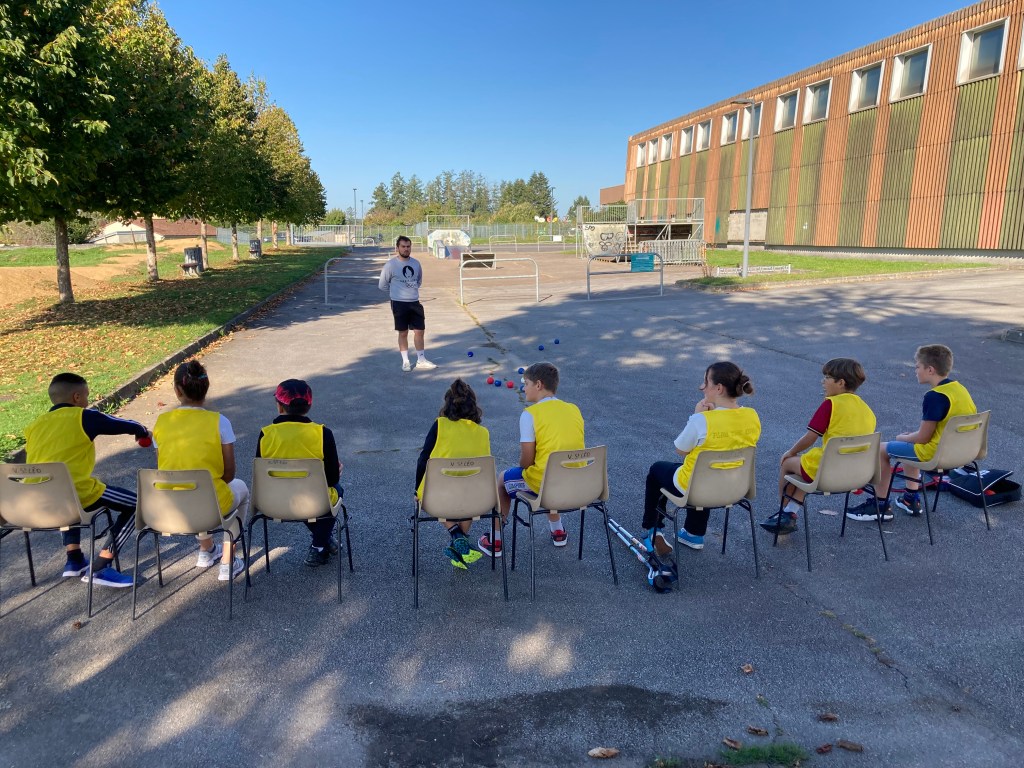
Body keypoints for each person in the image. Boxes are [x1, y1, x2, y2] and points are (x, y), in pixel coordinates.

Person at [24, 372, 150, 588]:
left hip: (36, 500)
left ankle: (74, 559)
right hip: (76, 494)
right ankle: (100, 566)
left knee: (63, 493)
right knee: (139, 506)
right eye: (86, 396)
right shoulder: (84, 416)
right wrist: (142, 431)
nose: (87, 400)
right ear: (76, 397)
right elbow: (120, 424)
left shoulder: (34, 426)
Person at [846, 344, 976, 521]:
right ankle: (910, 499)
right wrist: (910, 438)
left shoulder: (935, 396)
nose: (915, 371)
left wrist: (902, 437)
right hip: (962, 452)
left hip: (937, 454)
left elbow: (923, 438)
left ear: (930, 370)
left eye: (917, 367)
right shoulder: (960, 389)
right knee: (909, 444)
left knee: (880, 449)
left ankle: (880, 505)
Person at [641, 362, 760, 554]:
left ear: (718, 388)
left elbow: (681, 449)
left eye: (706, 382)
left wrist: (696, 416)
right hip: (735, 487)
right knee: (705, 472)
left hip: (698, 489)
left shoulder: (702, 420)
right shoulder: (752, 416)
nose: (702, 387)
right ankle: (693, 533)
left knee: (658, 470)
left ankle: (653, 529)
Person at [151, 360, 248, 581]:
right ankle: (228, 560)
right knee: (239, 489)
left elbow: (165, 468)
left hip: (171, 505)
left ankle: (206, 550)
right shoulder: (219, 422)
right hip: (209, 504)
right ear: (206, 388)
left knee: (194, 489)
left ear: (177, 390)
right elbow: (229, 474)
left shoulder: (161, 422)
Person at [478, 362, 584, 557]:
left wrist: (523, 466)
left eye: (526, 383)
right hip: (578, 484)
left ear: (539, 385)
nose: (523, 388)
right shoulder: (573, 409)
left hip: (547, 485)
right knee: (553, 471)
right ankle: (558, 531)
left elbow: (527, 461)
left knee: (502, 480)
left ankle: (495, 540)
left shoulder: (530, 415)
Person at [760, 358, 876, 535]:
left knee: (788, 463)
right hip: (857, 474)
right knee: (805, 468)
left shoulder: (831, 404)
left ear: (841, 382)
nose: (823, 381)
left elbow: (810, 437)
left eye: (827, 377)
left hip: (828, 472)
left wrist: (791, 451)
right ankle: (791, 511)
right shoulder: (868, 410)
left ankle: (784, 514)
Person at [255, 379, 342, 567]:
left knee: (298, 491)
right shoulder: (323, 433)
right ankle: (319, 545)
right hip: (313, 501)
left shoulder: (266, 434)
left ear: (279, 406)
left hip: (274, 502)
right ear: (309, 406)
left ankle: (323, 540)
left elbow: (260, 475)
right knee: (336, 490)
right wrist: (336, 470)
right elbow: (332, 478)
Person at [415, 379, 490, 569]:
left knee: (431, 496)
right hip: (474, 498)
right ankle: (459, 544)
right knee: (471, 495)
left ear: (448, 405)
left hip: (438, 496)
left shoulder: (439, 425)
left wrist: (417, 490)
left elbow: (423, 459)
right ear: (473, 407)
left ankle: (456, 534)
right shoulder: (483, 433)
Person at [378, 235, 437, 372]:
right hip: (399, 304)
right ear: (397, 248)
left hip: (414, 302)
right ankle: (405, 361)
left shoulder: (416, 263)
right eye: (403, 246)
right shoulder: (391, 265)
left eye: (408, 246)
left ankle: (421, 360)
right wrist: (396, 293)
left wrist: (410, 290)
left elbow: (418, 281)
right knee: (403, 332)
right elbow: (382, 285)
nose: (406, 249)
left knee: (419, 331)